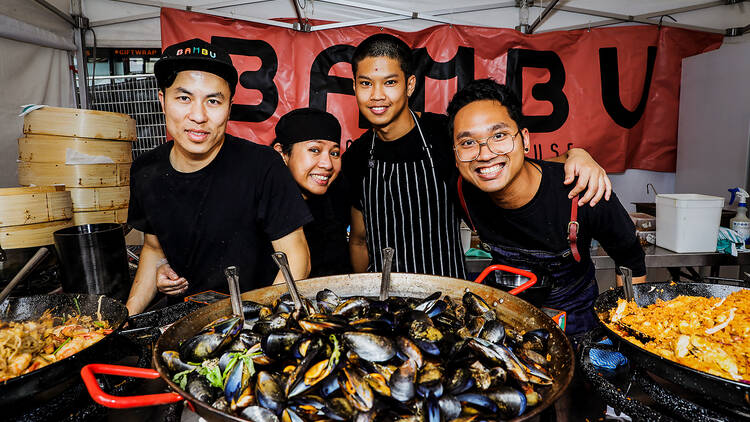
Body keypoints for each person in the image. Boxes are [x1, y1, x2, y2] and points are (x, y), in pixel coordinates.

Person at [342, 33, 613, 278]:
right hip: (385, 301)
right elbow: (359, 240)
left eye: (390, 82)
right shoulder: (356, 156)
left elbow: (513, 165)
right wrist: (365, 295)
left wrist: (575, 156)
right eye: (366, 83)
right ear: (354, 87)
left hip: (446, 295)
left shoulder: (444, 133)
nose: (377, 95)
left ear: (409, 85)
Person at [446, 79, 646, 337]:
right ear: (455, 153)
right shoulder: (462, 189)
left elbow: (631, 259)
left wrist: (627, 336)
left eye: (499, 136)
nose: (485, 154)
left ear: (525, 140)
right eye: (468, 143)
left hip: (577, 326)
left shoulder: (582, 189)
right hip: (506, 322)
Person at [125, 39, 312, 315]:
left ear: (229, 106)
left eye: (213, 100)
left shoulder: (262, 166)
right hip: (184, 324)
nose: (198, 116)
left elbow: (298, 260)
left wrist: (260, 326)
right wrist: (125, 318)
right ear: (162, 101)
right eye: (184, 98)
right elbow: (154, 249)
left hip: (255, 320)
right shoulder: (145, 170)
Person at [272, 108, 352, 277]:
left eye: (334, 153)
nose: (327, 164)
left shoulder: (340, 200)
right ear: (282, 154)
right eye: (315, 150)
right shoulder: (261, 206)